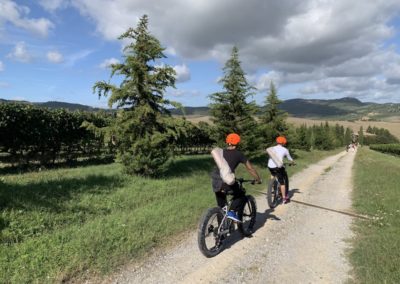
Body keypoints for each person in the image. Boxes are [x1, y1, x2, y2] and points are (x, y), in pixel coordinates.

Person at [211, 133, 261, 222]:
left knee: (221, 207)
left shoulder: (221, 153)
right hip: (225, 182)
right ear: (237, 143)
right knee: (241, 194)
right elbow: (250, 168)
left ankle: (221, 232)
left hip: (216, 182)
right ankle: (232, 212)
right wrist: (257, 179)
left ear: (227, 142)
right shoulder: (239, 154)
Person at [267, 136, 295, 204]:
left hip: (270, 166)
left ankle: (273, 184)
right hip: (278, 166)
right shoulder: (285, 149)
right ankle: (284, 198)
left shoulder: (272, 148)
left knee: (273, 173)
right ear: (283, 143)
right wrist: (292, 162)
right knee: (282, 182)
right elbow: (289, 158)